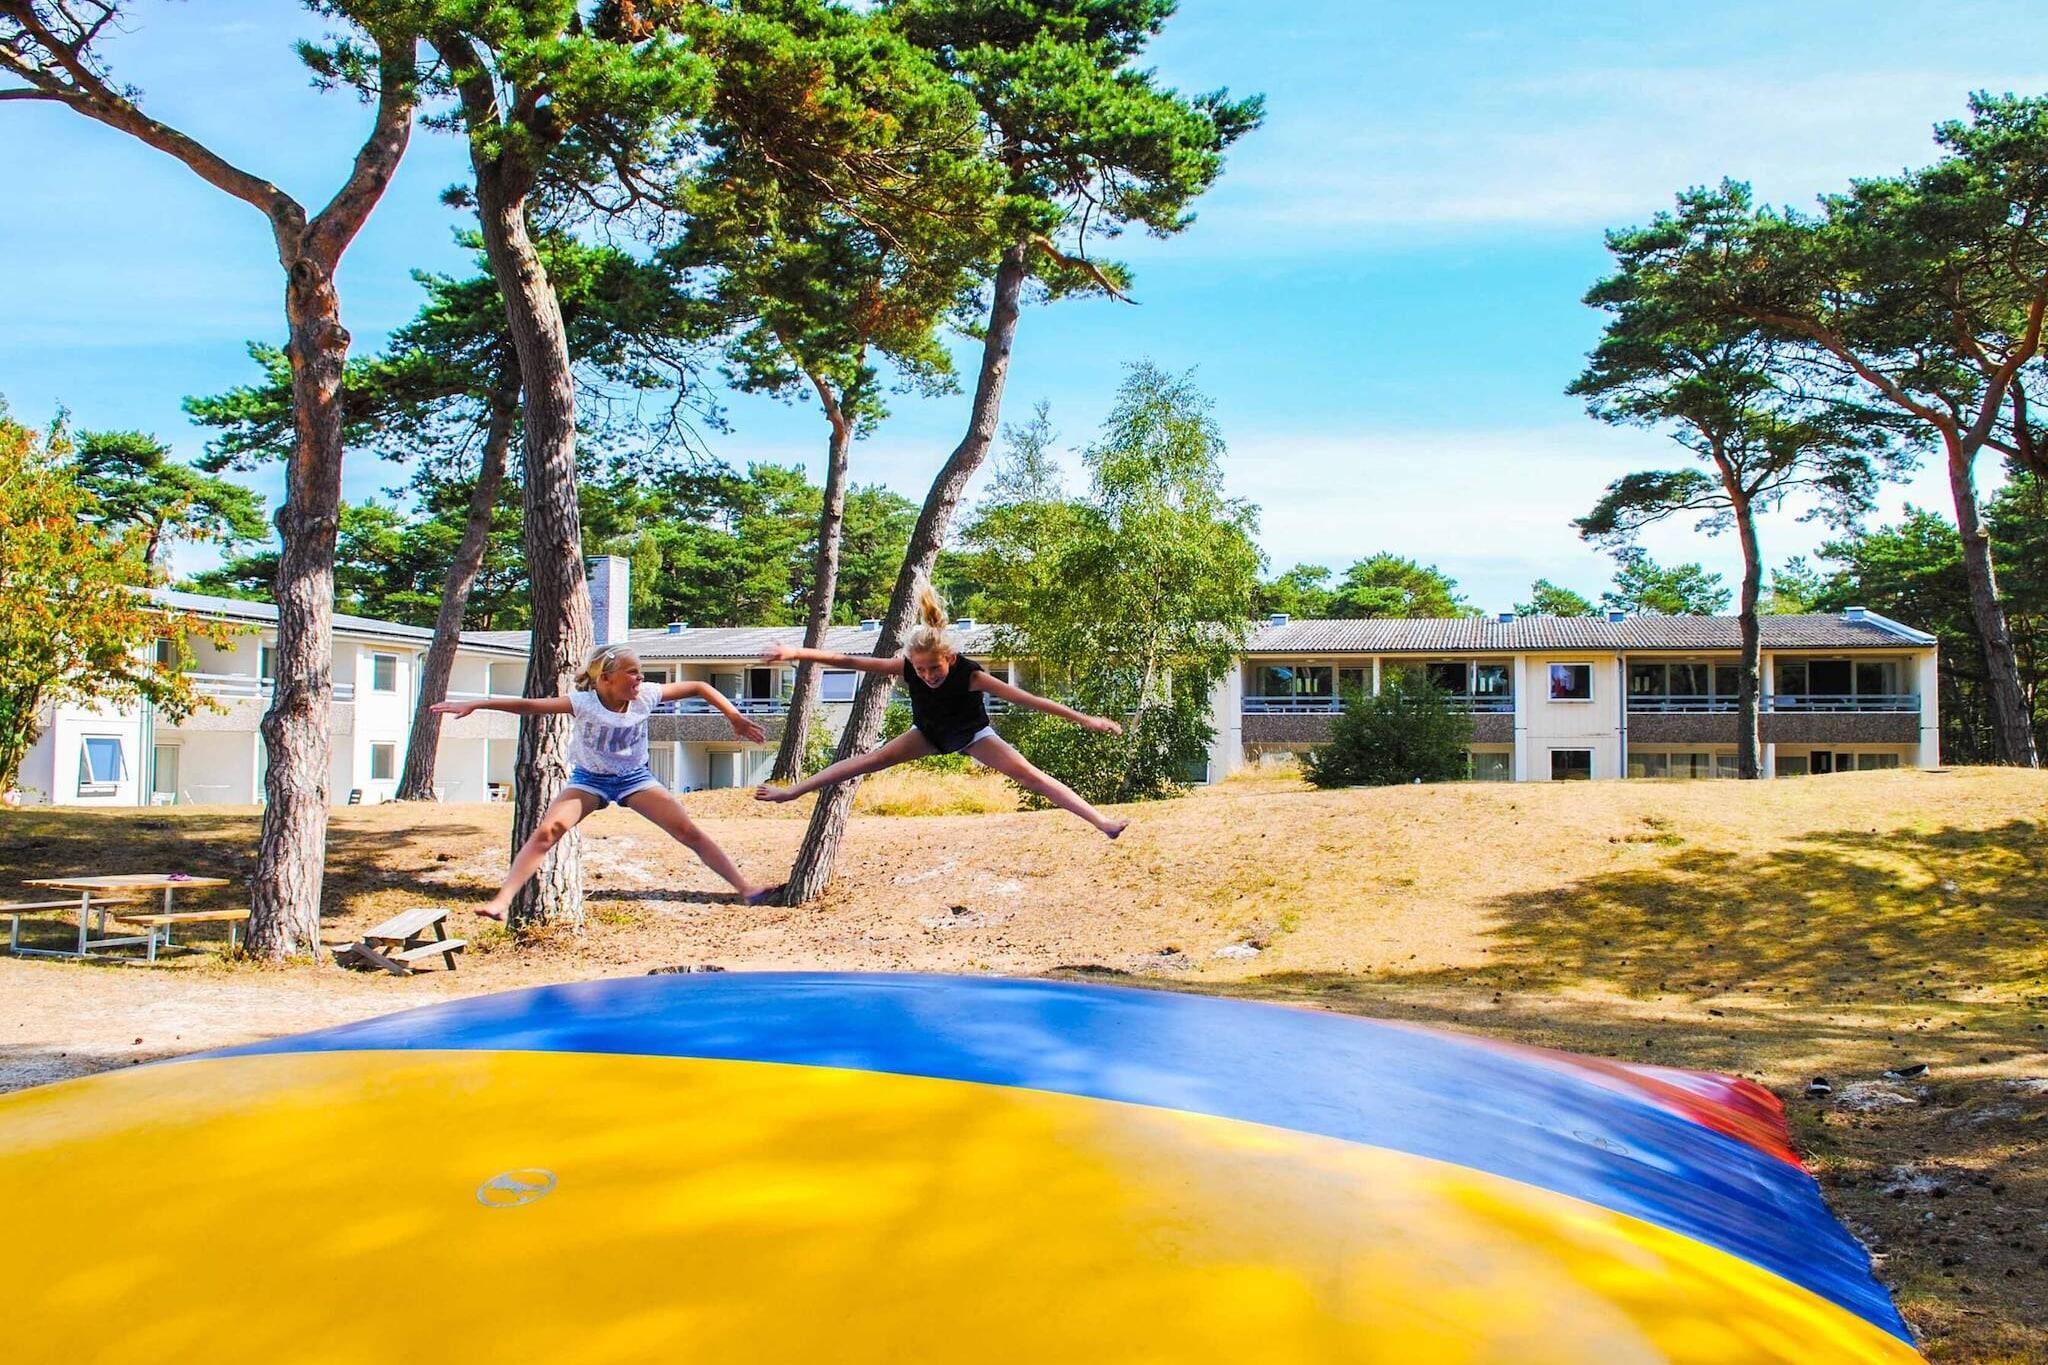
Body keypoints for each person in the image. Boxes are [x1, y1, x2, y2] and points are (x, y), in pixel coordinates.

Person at [753, 584, 1131, 838]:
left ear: (949, 658)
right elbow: (848, 658)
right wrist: (796, 653)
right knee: (863, 762)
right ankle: (793, 793)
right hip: (928, 734)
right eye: (920, 670)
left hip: (974, 736)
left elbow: (1030, 701)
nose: (928, 676)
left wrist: (1086, 720)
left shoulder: (971, 675)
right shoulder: (905, 667)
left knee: (1032, 777)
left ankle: (1103, 823)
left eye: (934, 668)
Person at [432, 644, 780, 919]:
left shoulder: (646, 695)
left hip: (634, 778)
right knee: (547, 832)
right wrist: (477, 704)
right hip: (590, 779)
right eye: (632, 674)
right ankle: (502, 900)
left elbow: (701, 686)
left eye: (641, 674)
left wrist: (734, 717)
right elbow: (528, 706)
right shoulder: (582, 702)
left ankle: (746, 888)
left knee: (688, 831)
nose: (639, 680)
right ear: (606, 679)